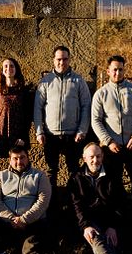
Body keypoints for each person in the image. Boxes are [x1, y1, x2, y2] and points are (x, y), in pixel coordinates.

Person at [91, 55, 132, 214]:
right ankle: (117, 217)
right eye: (114, 70)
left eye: (121, 69)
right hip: (111, 148)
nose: (118, 73)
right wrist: (108, 141)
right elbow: (96, 120)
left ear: (125, 70)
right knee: (113, 184)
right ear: (108, 71)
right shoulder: (101, 94)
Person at [67, 143, 127, 254]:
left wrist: (112, 225)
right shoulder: (76, 178)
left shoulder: (112, 175)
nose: (95, 160)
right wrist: (85, 226)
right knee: (95, 235)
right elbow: (76, 206)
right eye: (92, 157)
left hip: (108, 218)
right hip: (88, 220)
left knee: (110, 237)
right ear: (84, 158)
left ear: (103, 157)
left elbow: (120, 203)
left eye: (98, 156)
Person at [34, 45, 91, 190]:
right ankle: (51, 206)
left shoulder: (79, 81)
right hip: (50, 135)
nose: (62, 62)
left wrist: (82, 130)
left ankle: (74, 204)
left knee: (74, 171)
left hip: (73, 135)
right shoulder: (45, 82)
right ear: (53, 60)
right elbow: (38, 108)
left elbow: (86, 106)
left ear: (69, 59)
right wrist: (39, 131)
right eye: (59, 59)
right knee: (50, 171)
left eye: (65, 59)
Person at [0, 57, 34, 191]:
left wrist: (23, 137)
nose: (9, 69)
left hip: (17, 136)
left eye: (11, 66)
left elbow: (27, 117)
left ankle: (18, 194)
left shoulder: (24, 92)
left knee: (19, 167)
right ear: (2, 70)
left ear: (16, 69)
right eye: (5, 66)